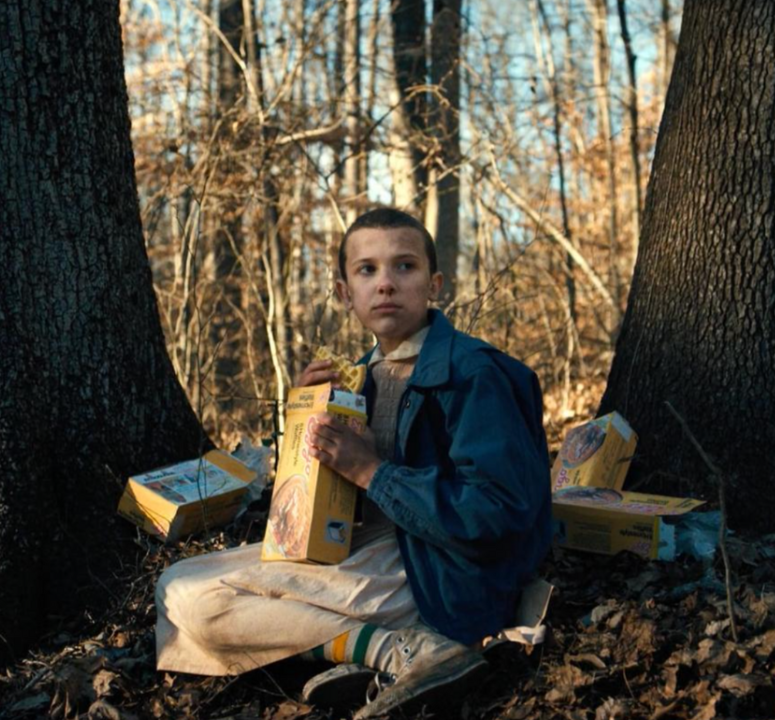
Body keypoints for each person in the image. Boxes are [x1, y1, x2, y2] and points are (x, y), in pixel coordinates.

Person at [155, 207, 552, 718]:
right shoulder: (359, 377)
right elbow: (318, 508)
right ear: (344, 293)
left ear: (434, 285)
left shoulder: (473, 374)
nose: (385, 283)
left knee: (200, 604)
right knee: (178, 587)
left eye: (404, 267)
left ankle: (414, 649)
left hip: (436, 575)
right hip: (364, 554)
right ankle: (378, 650)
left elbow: (497, 514)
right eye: (367, 270)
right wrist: (305, 420)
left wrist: (371, 470)